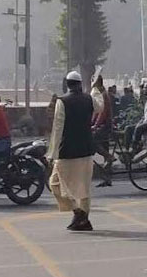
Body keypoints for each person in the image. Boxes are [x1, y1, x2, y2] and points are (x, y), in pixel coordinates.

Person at [47, 71, 104, 231]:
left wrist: (51, 153)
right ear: (79, 84)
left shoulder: (62, 102)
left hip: (67, 150)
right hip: (85, 149)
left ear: (67, 84)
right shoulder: (88, 99)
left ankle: (78, 213)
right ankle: (82, 217)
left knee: (55, 184)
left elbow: (57, 128)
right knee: (84, 189)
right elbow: (100, 106)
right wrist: (95, 89)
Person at [92, 75, 115, 187]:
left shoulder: (103, 95)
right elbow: (95, 113)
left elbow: (102, 113)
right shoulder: (99, 95)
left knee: (92, 141)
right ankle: (107, 178)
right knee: (105, 151)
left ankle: (109, 157)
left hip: (105, 125)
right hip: (102, 124)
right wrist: (91, 123)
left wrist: (95, 126)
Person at [124, 81, 147, 150]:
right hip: (145, 122)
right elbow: (144, 115)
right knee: (128, 128)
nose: (144, 89)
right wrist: (140, 122)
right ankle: (126, 150)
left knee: (138, 128)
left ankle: (134, 149)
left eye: (146, 87)